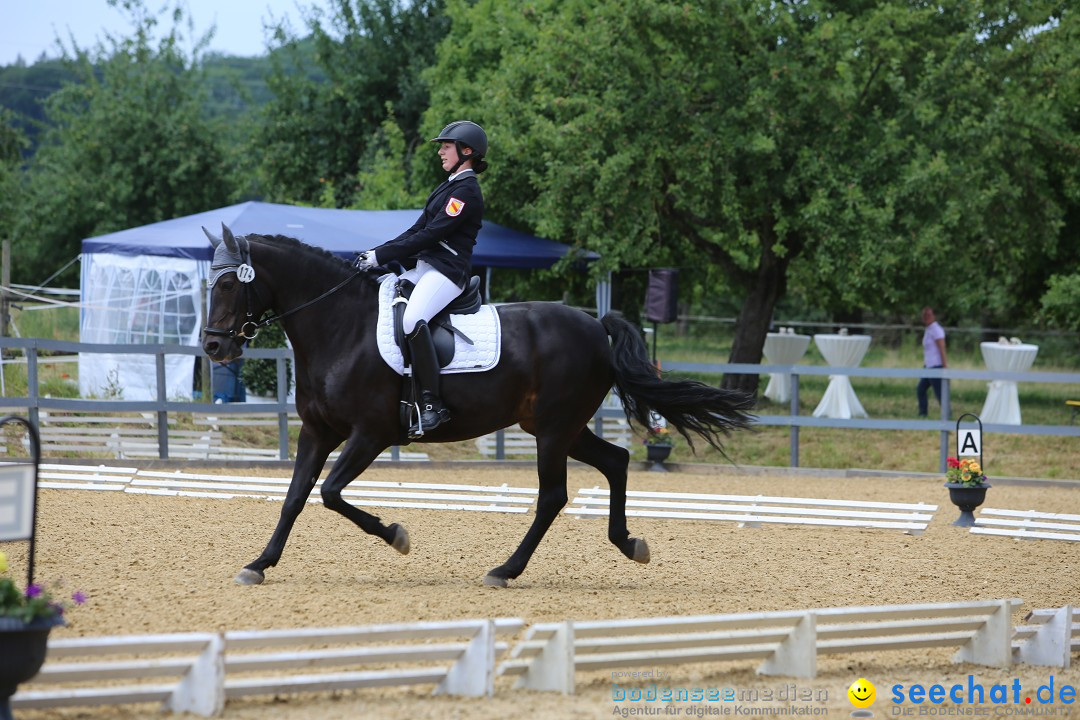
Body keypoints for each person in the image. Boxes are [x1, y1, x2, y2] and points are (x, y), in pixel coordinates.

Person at [354, 120, 487, 438]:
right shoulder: (448, 186)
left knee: (413, 319)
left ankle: (432, 404)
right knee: (384, 298)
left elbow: (432, 234)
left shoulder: (466, 191)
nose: (440, 150)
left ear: (466, 151)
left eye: (446, 145)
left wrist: (381, 256)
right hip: (427, 268)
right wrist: (378, 253)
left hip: (446, 273)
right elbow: (416, 230)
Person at [917, 306, 947, 417]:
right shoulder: (928, 329)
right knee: (920, 390)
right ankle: (923, 413)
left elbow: (942, 348)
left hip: (936, 365)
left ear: (934, 316)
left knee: (939, 393)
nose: (926, 317)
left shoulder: (936, 330)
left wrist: (944, 366)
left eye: (929, 315)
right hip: (928, 366)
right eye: (924, 315)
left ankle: (947, 414)